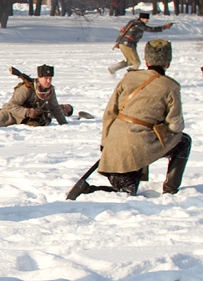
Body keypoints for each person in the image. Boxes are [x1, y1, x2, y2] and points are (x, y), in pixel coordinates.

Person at [70, 39, 191, 198]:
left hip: (113, 146)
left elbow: (109, 113)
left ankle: (90, 191)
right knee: (183, 141)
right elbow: (175, 126)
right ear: (167, 63)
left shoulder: (128, 79)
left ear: (146, 61)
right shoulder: (170, 86)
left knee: (126, 193)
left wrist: (105, 143)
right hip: (137, 150)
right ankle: (170, 191)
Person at [0, 65, 70, 128]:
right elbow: (10, 105)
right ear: (39, 78)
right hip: (12, 114)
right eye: (46, 78)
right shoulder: (27, 88)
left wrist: (64, 125)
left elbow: (55, 108)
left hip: (28, 118)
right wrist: (27, 112)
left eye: (50, 78)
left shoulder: (49, 91)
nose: (48, 81)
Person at [108, 11, 173, 75]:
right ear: (141, 18)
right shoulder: (139, 24)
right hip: (127, 44)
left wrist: (118, 42)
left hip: (124, 43)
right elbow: (149, 29)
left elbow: (123, 31)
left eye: (147, 19)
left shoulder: (134, 22)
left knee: (130, 61)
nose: (147, 20)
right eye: (146, 19)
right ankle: (132, 76)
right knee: (136, 62)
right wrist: (163, 27)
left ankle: (113, 69)